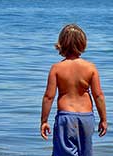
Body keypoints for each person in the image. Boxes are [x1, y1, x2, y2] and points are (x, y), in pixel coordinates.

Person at [40, 24, 107, 156]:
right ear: (83, 43)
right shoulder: (90, 68)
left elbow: (49, 97)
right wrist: (103, 119)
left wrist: (44, 121)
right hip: (86, 117)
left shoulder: (57, 68)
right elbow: (98, 95)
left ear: (62, 43)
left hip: (66, 117)